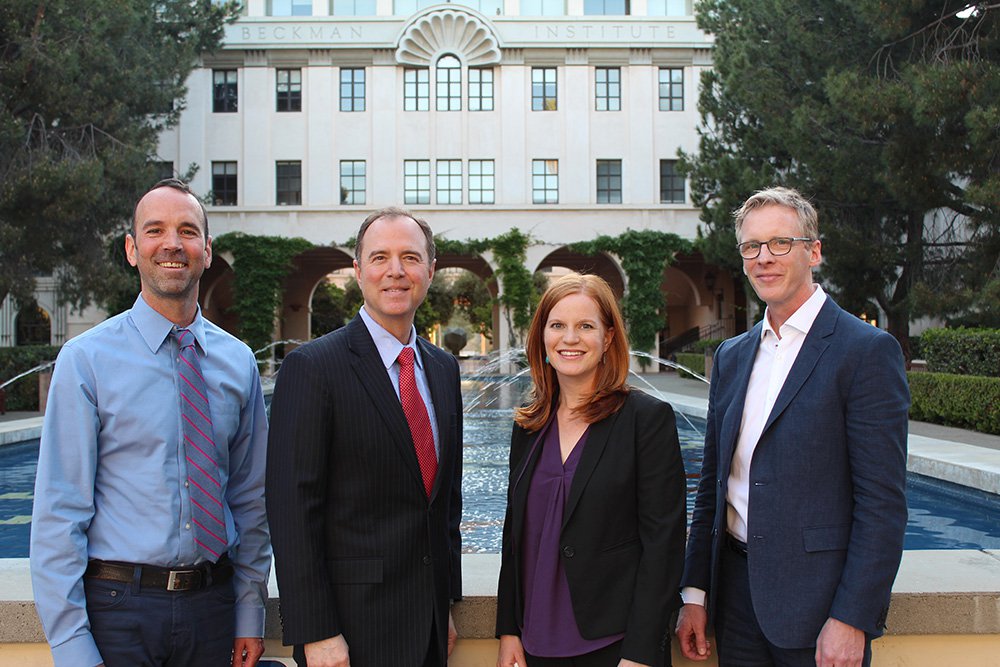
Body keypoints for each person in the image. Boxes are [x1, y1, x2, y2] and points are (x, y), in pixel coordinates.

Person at [30, 179, 271, 667]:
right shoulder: (86, 360)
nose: (172, 244)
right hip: (118, 613)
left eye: (187, 230)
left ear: (207, 249)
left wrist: (249, 611)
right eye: (155, 230)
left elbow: (251, 498)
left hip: (213, 610)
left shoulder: (237, 361)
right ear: (132, 249)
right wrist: (72, 646)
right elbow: (60, 512)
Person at [675, 187, 910, 667]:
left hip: (820, 609)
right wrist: (695, 592)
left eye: (780, 243)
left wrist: (853, 618)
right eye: (751, 246)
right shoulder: (732, 356)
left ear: (814, 251)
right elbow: (711, 488)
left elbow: (882, 504)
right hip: (735, 602)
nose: (764, 258)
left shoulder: (865, 351)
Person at [266, 207, 463, 667]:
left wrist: (446, 603)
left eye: (410, 258)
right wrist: (317, 632)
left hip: (430, 630)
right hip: (349, 634)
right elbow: (292, 510)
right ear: (358, 272)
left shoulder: (442, 368)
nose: (395, 271)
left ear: (430, 272)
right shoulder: (313, 368)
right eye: (380, 258)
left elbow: (445, 503)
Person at [496, 273, 687, 667]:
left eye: (586, 326)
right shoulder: (528, 425)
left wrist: (641, 652)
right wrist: (509, 629)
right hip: (534, 642)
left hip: (614, 645)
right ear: (542, 337)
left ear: (609, 338)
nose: (570, 338)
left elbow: (663, 544)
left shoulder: (646, 420)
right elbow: (515, 535)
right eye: (557, 326)